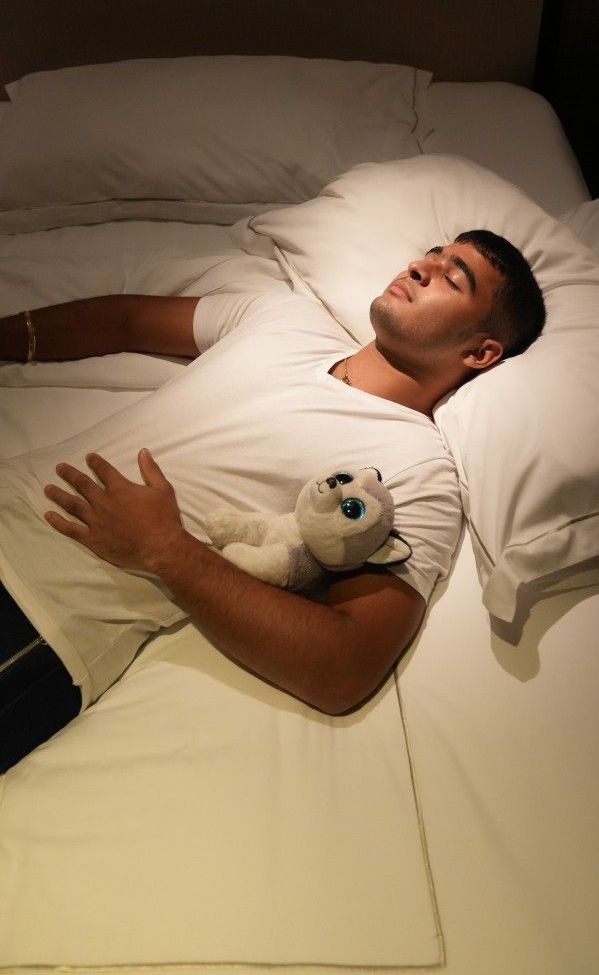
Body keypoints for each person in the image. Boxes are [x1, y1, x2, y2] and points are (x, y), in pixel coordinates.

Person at [0, 230, 545, 771]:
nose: (421, 267)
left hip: (38, 614)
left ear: (479, 351)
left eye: (452, 278)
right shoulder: (283, 320)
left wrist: (164, 548)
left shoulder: (414, 470)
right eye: (431, 254)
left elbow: (345, 667)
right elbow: (127, 321)